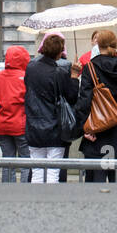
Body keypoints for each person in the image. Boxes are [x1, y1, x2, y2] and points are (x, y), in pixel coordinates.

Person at [75, 29, 117, 182]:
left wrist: (83, 127)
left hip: (98, 126)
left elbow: (84, 101)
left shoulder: (90, 67)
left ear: (98, 44)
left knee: (96, 176)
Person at [24, 31, 80, 183]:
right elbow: (72, 97)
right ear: (60, 52)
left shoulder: (31, 67)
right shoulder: (60, 71)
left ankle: (35, 203)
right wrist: (74, 77)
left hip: (34, 125)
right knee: (53, 172)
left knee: (36, 170)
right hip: (55, 127)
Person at [0, 45, 31, 182]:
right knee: (25, 162)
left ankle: (7, 190)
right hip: (20, 123)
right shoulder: (25, 76)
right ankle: (23, 191)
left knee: (7, 162)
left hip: (3, 123)